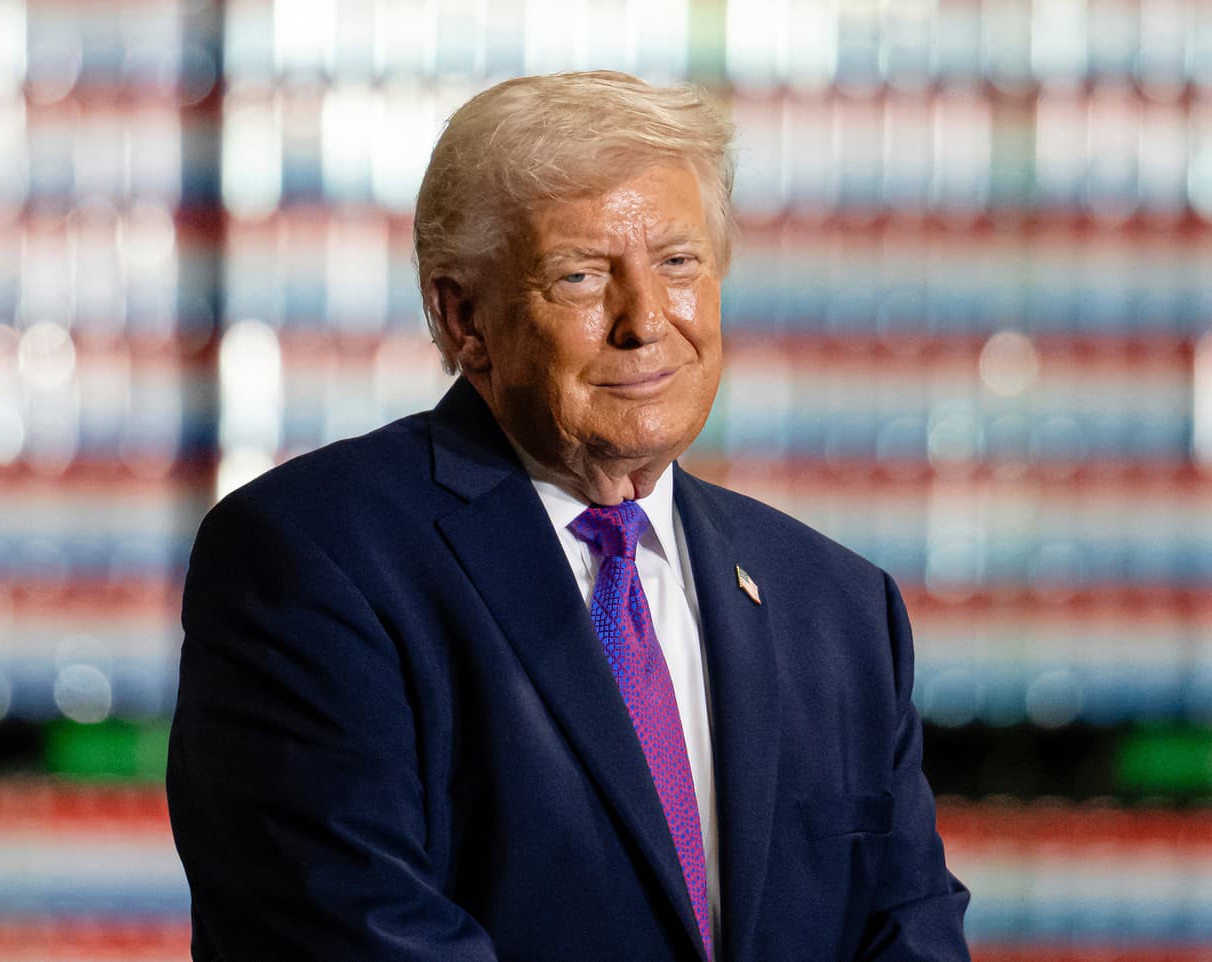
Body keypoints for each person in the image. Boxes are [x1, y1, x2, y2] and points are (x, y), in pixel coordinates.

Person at [167, 71, 970, 962]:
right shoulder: (313, 558)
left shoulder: (839, 606)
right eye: (582, 276)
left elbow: (911, 933)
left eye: (678, 264)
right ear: (464, 318)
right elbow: (353, 933)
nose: (645, 321)